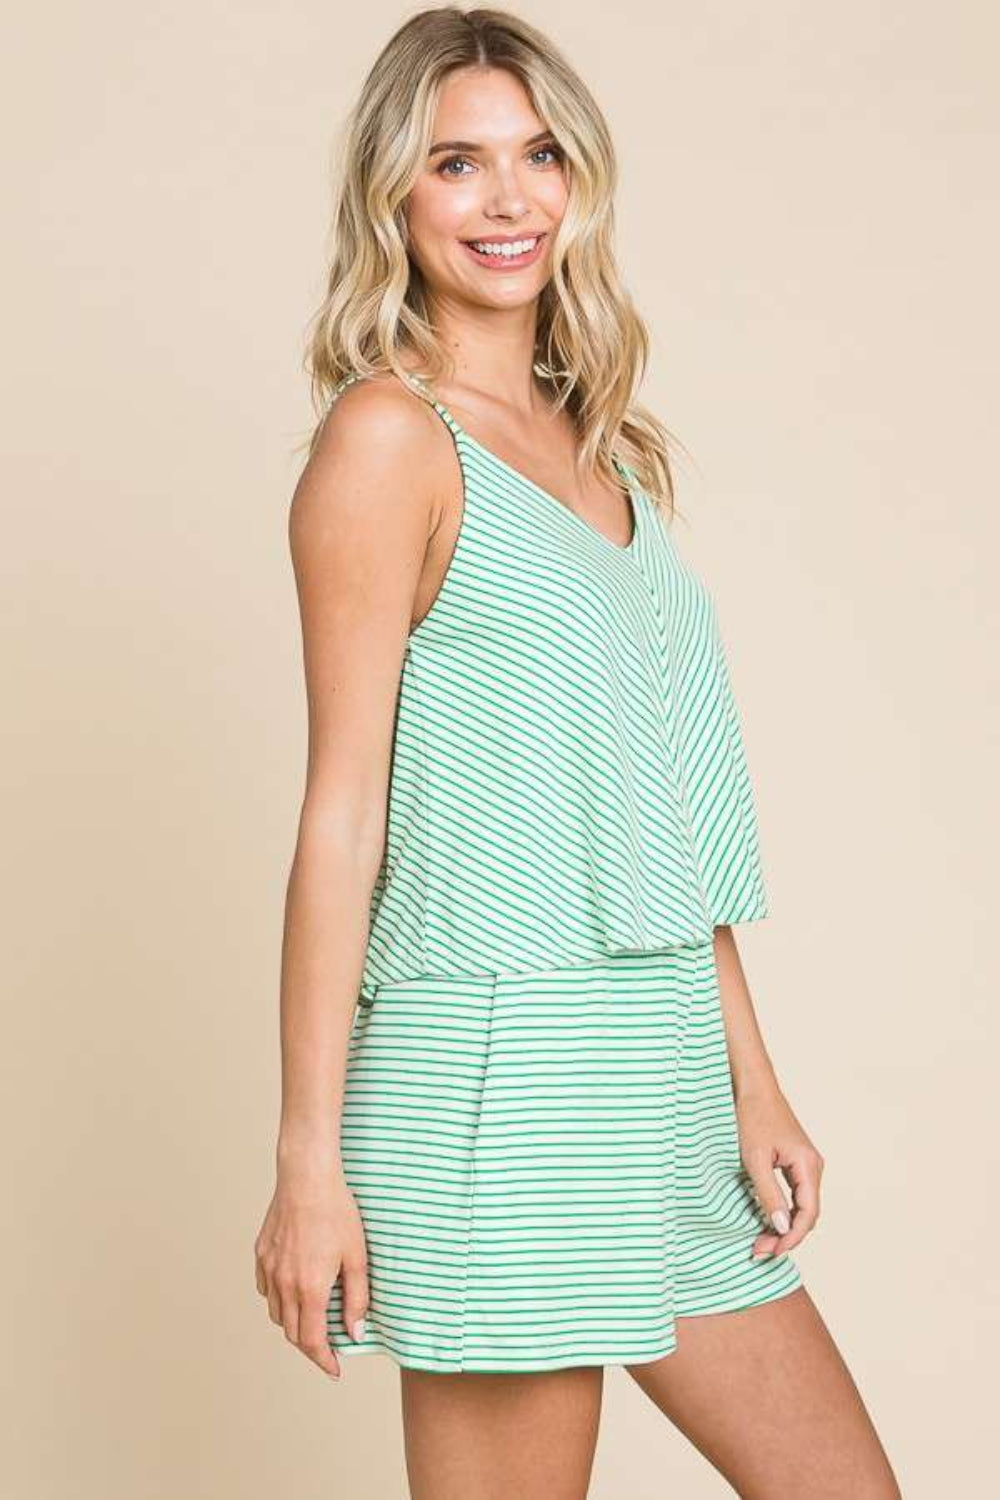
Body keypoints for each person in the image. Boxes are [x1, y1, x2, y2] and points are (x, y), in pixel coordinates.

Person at [254, 8, 902, 1498]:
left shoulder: (604, 449)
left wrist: (750, 1080)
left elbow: (662, 806)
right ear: (391, 198)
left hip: (659, 1061)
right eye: (456, 163)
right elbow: (342, 817)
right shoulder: (389, 442)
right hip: (503, 1075)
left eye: (539, 155)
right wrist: (307, 1158)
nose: (509, 198)